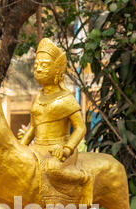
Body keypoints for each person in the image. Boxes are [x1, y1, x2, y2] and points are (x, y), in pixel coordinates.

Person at [20, 38, 90, 196]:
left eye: (44, 65)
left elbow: (80, 128)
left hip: (59, 150)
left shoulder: (67, 99)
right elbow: (33, 127)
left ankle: (83, 179)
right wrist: (21, 146)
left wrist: (66, 149)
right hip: (37, 148)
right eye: (36, 65)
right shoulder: (38, 97)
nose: (38, 69)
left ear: (58, 69)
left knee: (52, 168)